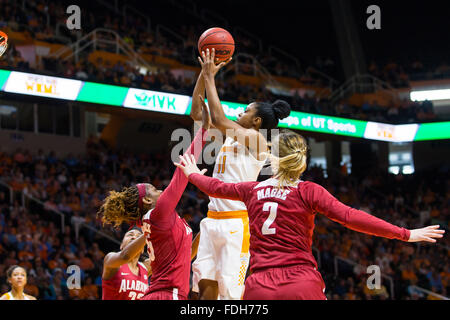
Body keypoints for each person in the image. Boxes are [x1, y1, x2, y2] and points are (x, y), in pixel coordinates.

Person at [174, 129, 445, 300]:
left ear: (273, 158)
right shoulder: (309, 191)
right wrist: (405, 233)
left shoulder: (252, 190)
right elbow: (352, 217)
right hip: (300, 283)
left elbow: (216, 186)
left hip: (259, 286)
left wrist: (192, 174)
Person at [188, 48, 290, 300]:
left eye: (245, 111)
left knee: (230, 297)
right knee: (204, 292)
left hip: (235, 223)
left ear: (257, 121)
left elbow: (220, 119)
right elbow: (197, 113)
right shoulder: (233, 134)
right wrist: (203, 74)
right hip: (212, 219)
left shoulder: (258, 141)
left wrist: (212, 78)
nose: (240, 113)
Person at [98, 101, 210, 300]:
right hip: (168, 295)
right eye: (153, 189)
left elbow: (185, 255)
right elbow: (181, 172)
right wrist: (203, 131)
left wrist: (213, 220)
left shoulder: (153, 222)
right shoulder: (159, 214)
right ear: (148, 201)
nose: (159, 189)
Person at [102, 227, 151, 300]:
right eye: (130, 235)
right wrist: (148, 232)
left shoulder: (145, 268)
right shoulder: (110, 259)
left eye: (138, 236)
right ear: (121, 245)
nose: (134, 237)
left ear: (142, 250)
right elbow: (125, 256)